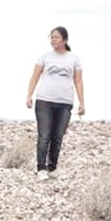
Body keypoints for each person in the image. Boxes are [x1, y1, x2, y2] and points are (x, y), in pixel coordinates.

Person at [25, 26, 85, 180]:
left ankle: (53, 167)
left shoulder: (74, 59)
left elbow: (78, 82)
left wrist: (81, 103)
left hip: (65, 102)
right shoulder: (45, 57)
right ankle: (41, 168)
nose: (53, 40)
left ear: (64, 40)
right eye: (52, 37)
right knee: (44, 135)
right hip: (45, 101)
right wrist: (29, 95)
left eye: (56, 37)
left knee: (57, 136)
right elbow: (35, 76)